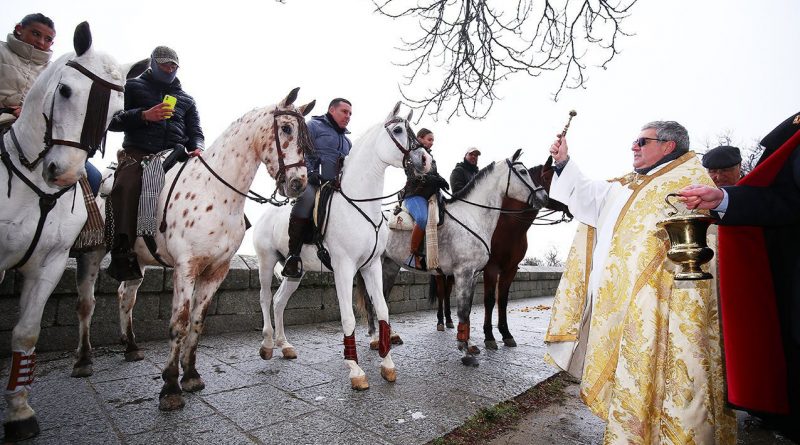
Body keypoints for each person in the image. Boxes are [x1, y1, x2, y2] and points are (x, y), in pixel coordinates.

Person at [544, 121, 736, 443]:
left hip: (666, 314)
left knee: (674, 384)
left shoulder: (690, 182)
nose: (633, 146)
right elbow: (591, 198)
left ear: (668, 146)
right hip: (625, 310)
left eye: (641, 141)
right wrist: (563, 163)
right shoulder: (632, 183)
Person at [679, 111, 800, 442]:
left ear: (739, 167)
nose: (718, 177)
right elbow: (786, 201)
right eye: (712, 172)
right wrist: (721, 201)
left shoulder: (757, 181)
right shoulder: (712, 195)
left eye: (724, 170)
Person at [106, 45, 204, 281]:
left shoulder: (187, 100)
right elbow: (113, 121)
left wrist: (198, 148)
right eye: (164, 64)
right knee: (126, 186)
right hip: (139, 152)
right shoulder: (132, 86)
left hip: (175, 155)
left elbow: (196, 132)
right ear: (152, 63)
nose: (169, 68)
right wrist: (143, 115)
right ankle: (123, 249)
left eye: (173, 65)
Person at [0, 13, 102, 193]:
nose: (41, 42)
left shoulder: (55, 69)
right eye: (35, 34)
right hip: (3, 122)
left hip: (38, 133)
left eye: (48, 39)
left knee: (93, 178)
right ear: (19, 29)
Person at [282, 98, 352, 278]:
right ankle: (293, 256)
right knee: (306, 200)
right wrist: (310, 171)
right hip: (314, 181)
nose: (348, 116)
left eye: (350, 113)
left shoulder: (347, 141)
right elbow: (300, 151)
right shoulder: (313, 126)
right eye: (344, 112)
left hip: (337, 187)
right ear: (331, 110)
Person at [401, 128, 448, 268]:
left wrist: (441, 180)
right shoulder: (412, 155)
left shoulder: (431, 158)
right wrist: (433, 179)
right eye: (429, 139)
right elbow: (414, 176)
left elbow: (434, 174)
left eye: (433, 140)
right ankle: (412, 255)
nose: (432, 143)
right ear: (420, 138)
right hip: (414, 195)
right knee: (422, 218)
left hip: (430, 197)